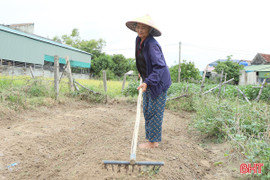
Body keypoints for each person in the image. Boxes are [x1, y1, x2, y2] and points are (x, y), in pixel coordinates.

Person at [126, 15, 172, 149]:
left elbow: (160, 66)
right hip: (149, 79)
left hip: (158, 81)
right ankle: (150, 138)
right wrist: (143, 73)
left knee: (154, 111)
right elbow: (144, 60)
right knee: (146, 109)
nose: (140, 30)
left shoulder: (152, 44)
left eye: (143, 28)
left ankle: (153, 142)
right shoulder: (139, 40)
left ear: (149, 30)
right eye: (138, 27)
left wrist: (148, 81)